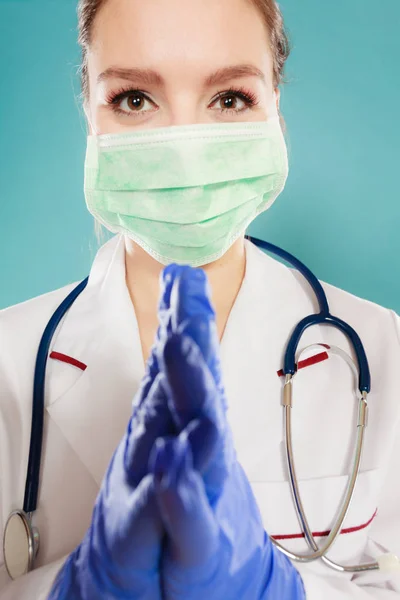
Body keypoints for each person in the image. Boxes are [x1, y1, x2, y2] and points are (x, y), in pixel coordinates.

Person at [0, 0, 399, 598]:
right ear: (91, 113)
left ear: (275, 112)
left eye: (230, 98)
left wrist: (278, 591)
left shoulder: (383, 350)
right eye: (135, 99)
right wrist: (71, 588)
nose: (185, 148)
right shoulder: (8, 359)